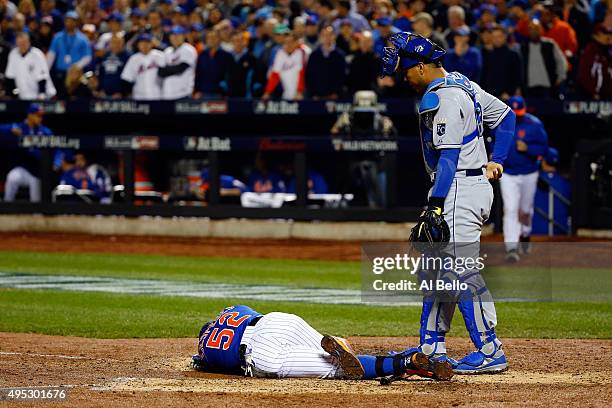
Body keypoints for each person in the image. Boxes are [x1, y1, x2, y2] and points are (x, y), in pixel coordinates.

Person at [380, 32, 516, 374]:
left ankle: (490, 349)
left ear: (423, 67)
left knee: (459, 272)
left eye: (407, 71)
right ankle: (432, 346)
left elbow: (448, 159)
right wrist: (496, 158)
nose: (404, 77)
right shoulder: (463, 83)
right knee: (438, 272)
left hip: (459, 188)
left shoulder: (446, 98)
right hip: (466, 185)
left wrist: (435, 205)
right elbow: (506, 116)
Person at [192, 304, 453, 381]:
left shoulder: (204, 349)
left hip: (260, 355)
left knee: (338, 369)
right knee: (326, 347)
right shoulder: (231, 311)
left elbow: (206, 363)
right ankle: (412, 357)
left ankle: (404, 362)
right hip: (277, 322)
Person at [500, 96, 548, 262]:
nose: (517, 116)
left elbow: (544, 148)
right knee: (511, 209)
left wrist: (529, 148)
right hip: (508, 174)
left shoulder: (534, 124)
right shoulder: (501, 123)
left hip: (529, 172)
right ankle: (511, 248)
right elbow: (492, 144)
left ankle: (526, 234)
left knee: (525, 211)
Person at [0, 104, 54, 202]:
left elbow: (52, 148)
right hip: (23, 169)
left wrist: (25, 138)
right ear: (30, 115)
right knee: (12, 178)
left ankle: (37, 215)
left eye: (41, 116)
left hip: (38, 172)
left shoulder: (45, 131)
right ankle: (6, 207)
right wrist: (10, 129)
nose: (40, 118)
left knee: (36, 204)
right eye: (37, 115)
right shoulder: (20, 127)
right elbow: (2, 128)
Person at [47, 11, 92, 97]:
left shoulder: (83, 38)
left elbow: (87, 57)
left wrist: (76, 67)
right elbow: (51, 56)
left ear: (77, 22)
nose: (70, 23)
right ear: (65, 22)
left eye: (73, 21)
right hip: (60, 74)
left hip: (75, 76)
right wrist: (46, 72)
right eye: (68, 20)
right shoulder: (57, 37)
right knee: (61, 97)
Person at [520, 19, 567, 97]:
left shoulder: (550, 44)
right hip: (529, 88)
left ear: (541, 30)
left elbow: (561, 61)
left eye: (536, 28)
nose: (533, 31)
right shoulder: (523, 47)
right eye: (531, 29)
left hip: (548, 87)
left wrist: (560, 77)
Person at [5, 31, 56, 100]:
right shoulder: (13, 54)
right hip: (23, 96)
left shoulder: (37, 54)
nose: (22, 45)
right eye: (20, 43)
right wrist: (9, 94)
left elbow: (42, 77)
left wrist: (41, 95)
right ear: (17, 43)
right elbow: (10, 76)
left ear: (29, 42)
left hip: (43, 95)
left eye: (24, 42)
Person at [533, 147, 571, 235]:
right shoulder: (566, 184)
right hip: (560, 233)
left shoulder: (534, 181)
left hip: (536, 233)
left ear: (543, 161)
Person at [480, 25, 523, 99]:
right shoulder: (487, 56)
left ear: (504, 37)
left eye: (499, 36)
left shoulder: (513, 55)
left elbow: (517, 77)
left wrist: (509, 93)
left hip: (508, 97)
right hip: (490, 97)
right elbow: (484, 77)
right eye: (494, 37)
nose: (496, 39)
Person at [262, 32, 308, 100]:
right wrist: (267, 92)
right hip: (287, 93)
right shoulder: (280, 54)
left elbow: (302, 74)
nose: (288, 45)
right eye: (286, 42)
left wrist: (299, 92)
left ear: (296, 43)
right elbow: (275, 75)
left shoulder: (301, 53)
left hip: (302, 94)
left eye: (291, 42)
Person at [305, 26, 346, 100]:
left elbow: (342, 76)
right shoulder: (314, 55)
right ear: (320, 37)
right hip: (316, 98)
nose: (327, 37)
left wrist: (336, 93)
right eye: (324, 35)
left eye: (329, 35)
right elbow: (309, 76)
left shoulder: (340, 55)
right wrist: (313, 94)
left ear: (334, 36)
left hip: (335, 98)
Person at [120, 33, 165, 100]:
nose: (144, 45)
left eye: (147, 42)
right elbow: (127, 79)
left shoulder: (160, 56)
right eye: (142, 43)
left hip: (158, 95)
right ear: (138, 45)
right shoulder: (133, 59)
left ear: (152, 44)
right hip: (139, 97)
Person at [158, 25, 197, 100]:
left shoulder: (188, 49)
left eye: (178, 34)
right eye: (173, 35)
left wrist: (167, 69)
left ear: (183, 36)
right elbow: (160, 72)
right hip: (167, 94)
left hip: (183, 94)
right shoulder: (167, 51)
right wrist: (171, 69)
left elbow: (180, 69)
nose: (175, 37)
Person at [193, 29, 232, 98]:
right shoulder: (202, 55)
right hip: (203, 93)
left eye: (213, 38)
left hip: (220, 94)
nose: (211, 40)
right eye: (209, 38)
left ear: (219, 39)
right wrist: (197, 91)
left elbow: (229, 76)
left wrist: (226, 93)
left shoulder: (226, 55)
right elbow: (198, 74)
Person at [576, 24, 611, 100]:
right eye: (605, 33)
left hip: (605, 97)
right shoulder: (591, 51)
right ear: (596, 35)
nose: (608, 36)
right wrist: (593, 92)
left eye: (609, 34)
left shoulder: (605, 52)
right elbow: (584, 75)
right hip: (592, 97)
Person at [96, 34, 129, 98]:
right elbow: (101, 74)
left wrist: (122, 93)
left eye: (118, 42)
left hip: (120, 96)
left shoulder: (127, 57)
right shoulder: (105, 56)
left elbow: (128, 78)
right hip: (104, 94)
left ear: (123, 43)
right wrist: (100, 89)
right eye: (113, 42)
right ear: (110, 44)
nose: (115, 45)